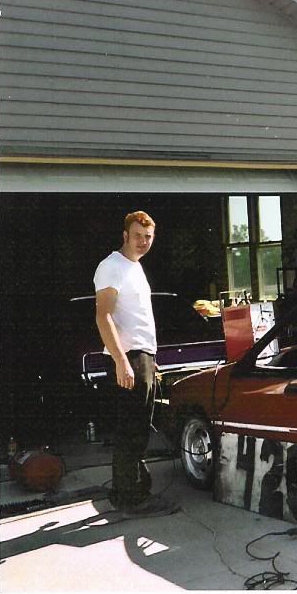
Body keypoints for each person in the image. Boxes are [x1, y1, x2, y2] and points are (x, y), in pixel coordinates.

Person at [94, 211, 178, 517]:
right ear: (125, 236)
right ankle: (133, 499)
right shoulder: (112, 266)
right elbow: (103, 316)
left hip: (141, 356)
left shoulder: (135, 267)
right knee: (132, 429)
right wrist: (122, 361)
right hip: (128, 356)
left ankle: (127, 493)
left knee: (137, 427)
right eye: (138, 236)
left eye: (148, 237)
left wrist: (148, 361)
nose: (143, 242)